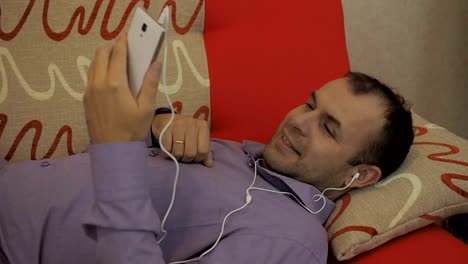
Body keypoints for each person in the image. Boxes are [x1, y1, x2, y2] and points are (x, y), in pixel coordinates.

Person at [0, 34, 414, 264]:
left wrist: (116, 150)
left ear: (357, 176)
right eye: (310, 103)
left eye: (327, 127)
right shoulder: (244, 157)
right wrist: (159, 123)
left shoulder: (293, 241)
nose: (298, 121)